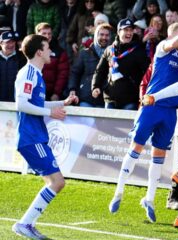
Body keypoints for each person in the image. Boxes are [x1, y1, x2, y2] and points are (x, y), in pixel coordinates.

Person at [108, 20, 178, 223]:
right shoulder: (163, 48)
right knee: (135, 149)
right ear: (171, 36)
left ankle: (150, 199)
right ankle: (118, 192)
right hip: (152, 107)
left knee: (159, 156)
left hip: (170, 111)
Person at [11, 34, 78, 240]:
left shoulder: (35, 74)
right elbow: (21, 104)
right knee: (57, 182)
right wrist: (51, 113)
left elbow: (36, 104)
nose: (51, 52)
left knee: (53, 182)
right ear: (39, 52)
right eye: (47, 48)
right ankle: (24, 224)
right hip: (31, 137)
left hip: (35, 136)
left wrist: (61, 103)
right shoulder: (29, 73)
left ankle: (26, 224)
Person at [92, 18, 149, 110]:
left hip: (130, 100)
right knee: (108, 124)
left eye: (131, 30)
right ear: (118, 32)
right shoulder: (109, 50)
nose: (129, 33)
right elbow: (100, 71)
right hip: (110, 99)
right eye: (126, 30)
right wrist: (95, 86)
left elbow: (147, 73)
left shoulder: (139, 51)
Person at [68, 23, 113, 108]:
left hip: (105, 100)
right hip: (86, 98)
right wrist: (72, 88)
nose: (104, 37)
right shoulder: (85, 53)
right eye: (101, 34)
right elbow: (75, 73)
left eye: (107, 35)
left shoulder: (114, 54)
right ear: (96, 36)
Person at [35, 22, 70, 101]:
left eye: (49, 33)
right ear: (37, 34)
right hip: (33, 91)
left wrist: (56, 93)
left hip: (50, 95)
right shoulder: (31, 49)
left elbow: (63, 74)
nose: (47, 36)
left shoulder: (60, 52)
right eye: (44, 33)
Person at [0, 30, 26, 101]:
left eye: (13, 41)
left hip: (15, 101)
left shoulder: (22, 58)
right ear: (1, 43)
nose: (11, 45)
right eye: (8, 42)